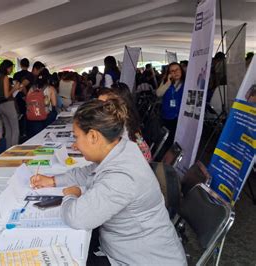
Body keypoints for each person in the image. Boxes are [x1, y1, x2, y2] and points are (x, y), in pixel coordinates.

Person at [30, 99, 186, 265]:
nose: (75, 145)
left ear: (93, 136)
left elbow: (76, 217)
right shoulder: (123, 148)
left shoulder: (121, 177)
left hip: (141, 260)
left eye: (76, 137)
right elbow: (89, 171)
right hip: (131, 249)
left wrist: (71, 195)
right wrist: (53, 181)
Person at [97, 86, 152, 162]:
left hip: (137, 163)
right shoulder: (129, 117)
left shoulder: (120, 124)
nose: (97, 108)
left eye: (104, 104)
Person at [156, 62, 185, 152]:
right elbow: (158, 94)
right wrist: (168, 83)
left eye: (177, 70)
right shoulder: (166, 82)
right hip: (167, 117)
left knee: (180, 141)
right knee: (168, 142)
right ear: (169, 73)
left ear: (181, 71)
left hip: (181, 117)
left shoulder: (187, 83)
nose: (175, 72)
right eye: (172, 71)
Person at [0, 60, 20, 148]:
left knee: (8, 129)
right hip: (8, 104)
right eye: (11, 68)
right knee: (15, 129)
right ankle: (14, 150)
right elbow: (6, 95)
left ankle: (8, 149)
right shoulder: (5, 77)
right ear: (7, 68)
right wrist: (15, 88)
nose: (12, 70)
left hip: (1, 105)